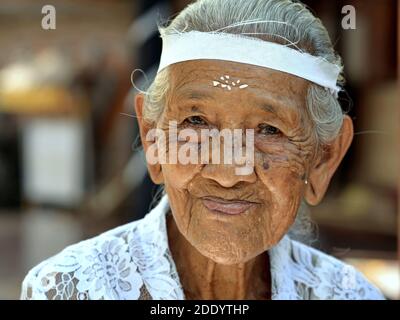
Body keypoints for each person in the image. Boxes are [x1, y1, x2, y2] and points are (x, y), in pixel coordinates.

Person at [21, 0, 384, 300]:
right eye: (196, 122)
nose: (227, 173)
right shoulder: (67, 290)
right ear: (152, 138)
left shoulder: (351, 295)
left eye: (269, 130)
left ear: (323, 157)